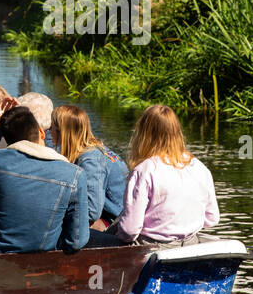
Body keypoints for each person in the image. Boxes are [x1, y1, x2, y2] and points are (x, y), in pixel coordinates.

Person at [0, 104, 88, 256]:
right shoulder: (75, 175)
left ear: (6, 139)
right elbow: (77, 240)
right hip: (43, 266)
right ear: (41, 132)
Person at [114, 104, 218, 247]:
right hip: (191, 244)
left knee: (92, 238)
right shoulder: (200, 167)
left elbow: (129, 231)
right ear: (177, 132)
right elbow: (211, 219)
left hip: (151, 247)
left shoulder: (144, 170)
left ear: (144, 134)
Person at [53, 105, 128, 230]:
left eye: (52, 128)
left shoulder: (90, 160)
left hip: (114, 222)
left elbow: (91, 212)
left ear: (63, 132)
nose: (49, 132)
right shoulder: (91, 148)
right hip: (113, 214)